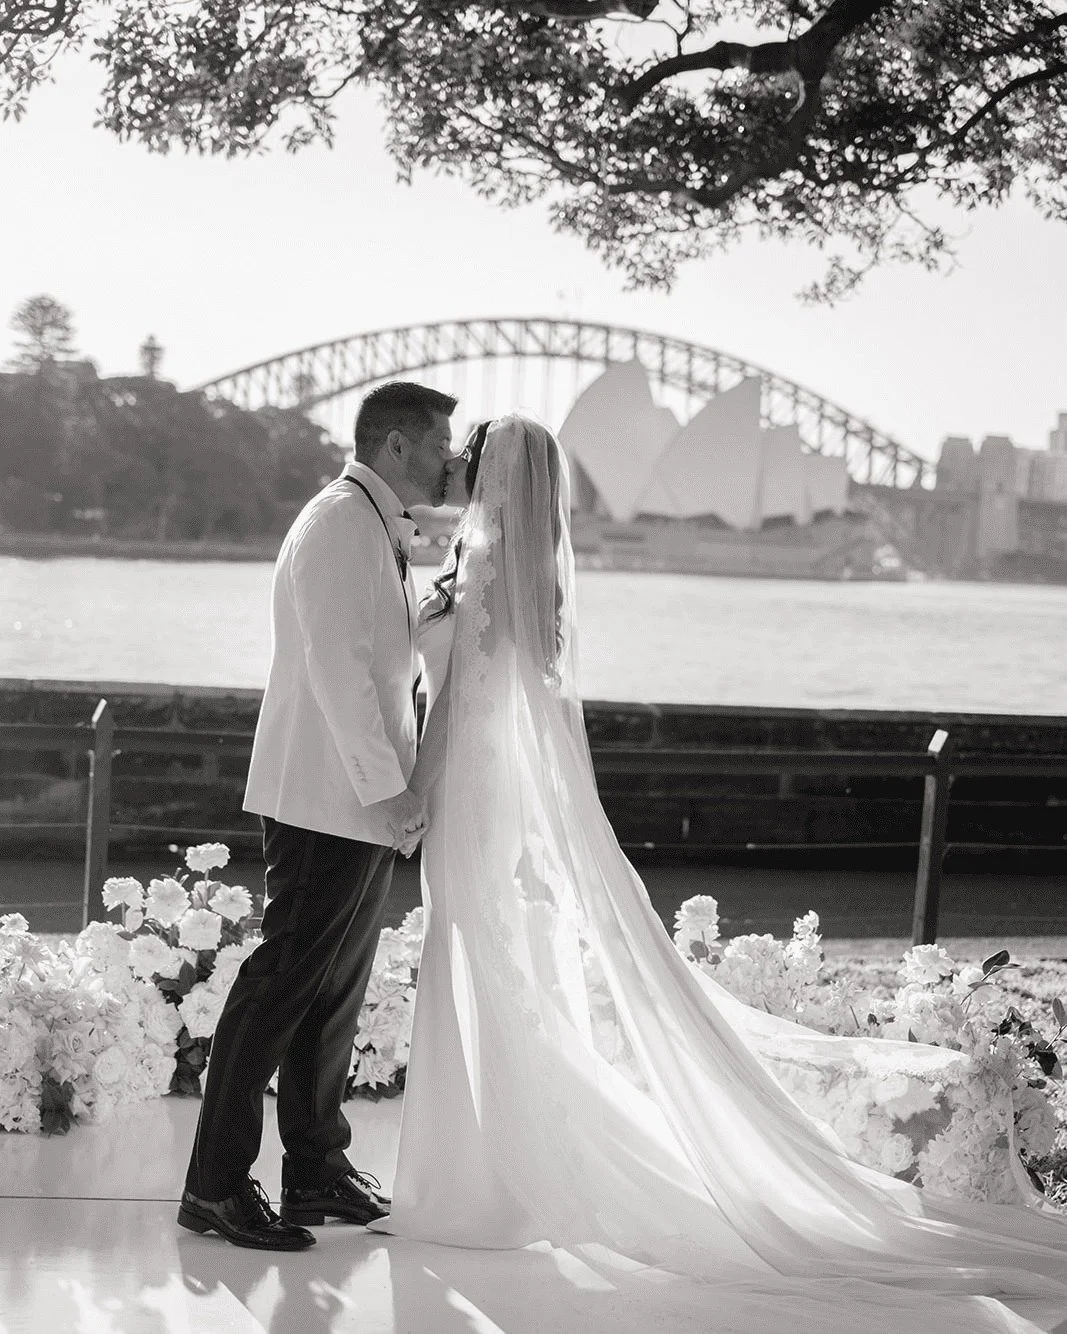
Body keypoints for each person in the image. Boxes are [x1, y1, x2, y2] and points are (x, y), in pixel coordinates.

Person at [372, 414, 1067, 1332]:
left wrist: (411, 797)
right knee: (491, 971)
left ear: (492, 475)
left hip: (466, 797)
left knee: (479, 968)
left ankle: (476, 1188)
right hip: (492, 799)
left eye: (468, 459)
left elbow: (458, 706)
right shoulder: (518, 571)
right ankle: (485, 1178)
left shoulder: (487, 570)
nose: (455, 466)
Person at [178, 380, 458, 1250]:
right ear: (398, 446)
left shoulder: (374, 526)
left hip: (355, 802)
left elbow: (373, 653)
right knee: (280, 986)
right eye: (441, 444)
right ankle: (215, 1187)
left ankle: (315, 1170)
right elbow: (337, 669)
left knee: (331, 993)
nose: (451, 461)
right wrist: (390, 791)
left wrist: (434, 615)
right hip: (327, 799)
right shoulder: (339, 522)